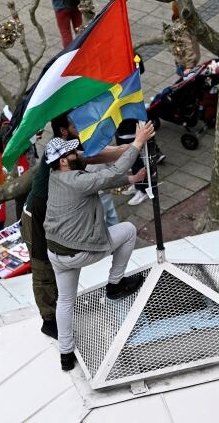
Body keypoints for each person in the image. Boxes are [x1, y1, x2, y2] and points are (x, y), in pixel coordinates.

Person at [45, 121, 154, 371]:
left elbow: (100, 179)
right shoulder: (77, 180)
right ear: (63, 161)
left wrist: (130, 178)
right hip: (79, 251)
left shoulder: (56, 177)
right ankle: (115, 284)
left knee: (65, 301)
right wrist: (138, 142)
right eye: (72, 153)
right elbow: (109, 174)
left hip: (55, 253)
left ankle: (65, 355)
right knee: (127, 231)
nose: (77, 154)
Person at [170, 1, 200, 77]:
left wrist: (189, 67)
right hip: (189, 59)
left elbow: (188, 46)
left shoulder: (181, 29)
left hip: (186, 63)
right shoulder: (189, 22)